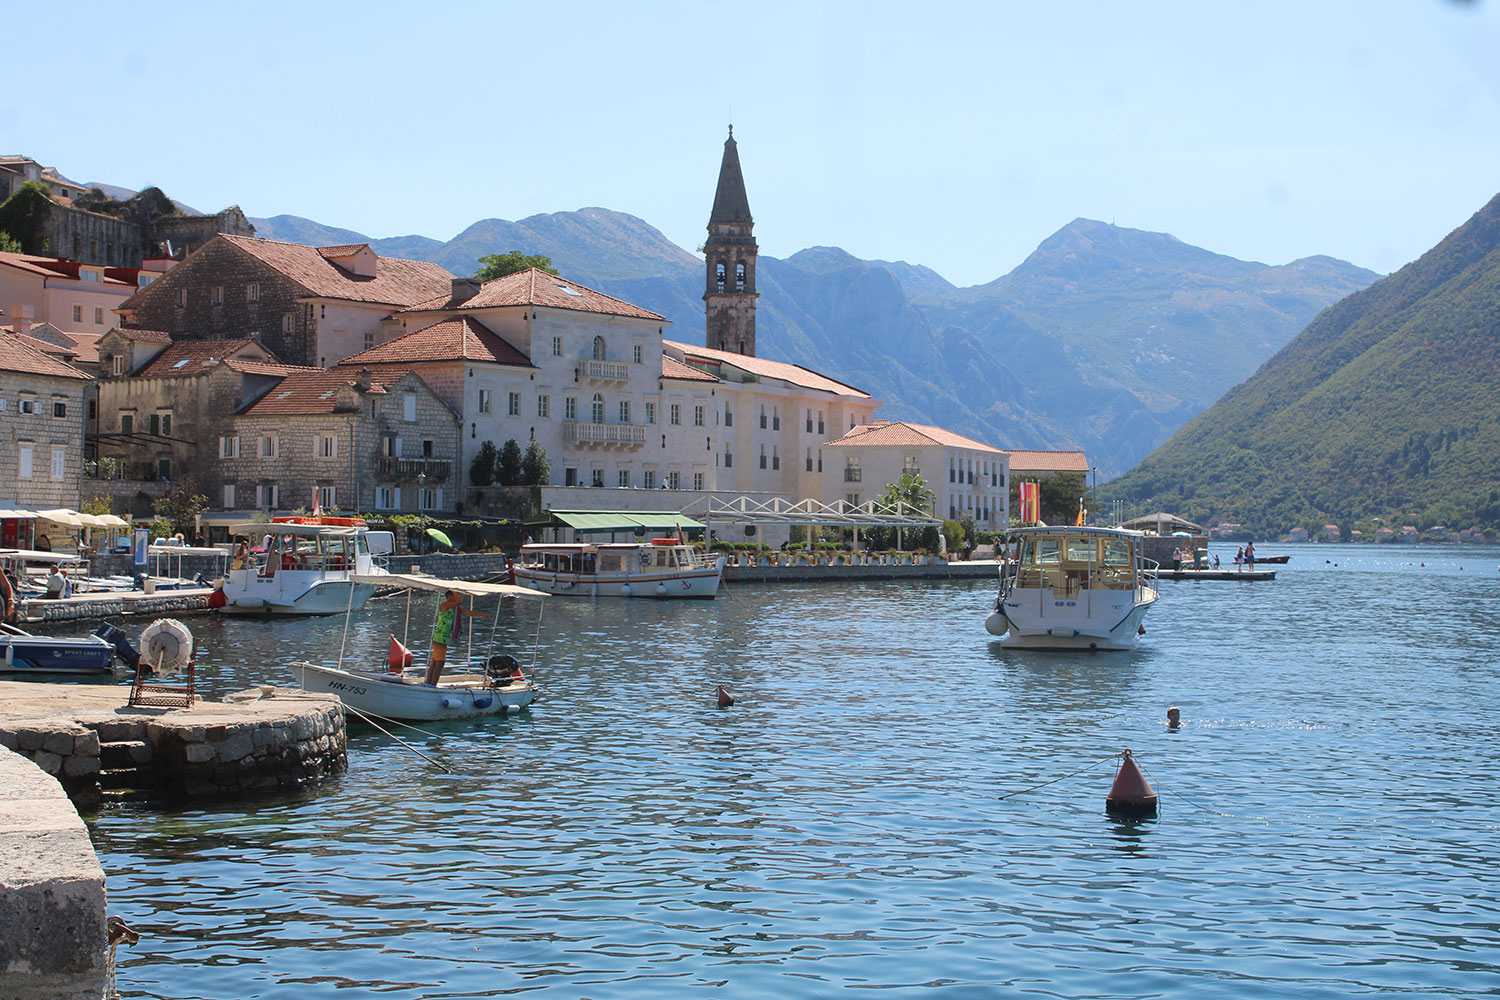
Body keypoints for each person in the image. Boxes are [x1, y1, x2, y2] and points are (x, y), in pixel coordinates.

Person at [427, 589, 484, 686]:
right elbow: (459, 601)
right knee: (440, 662)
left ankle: (429, 683)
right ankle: (432, 685)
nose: (458, 597)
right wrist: (454, 589)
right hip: (440, 637)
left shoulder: (455, 609)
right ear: (450, 596)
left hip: (442, 638)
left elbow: (468, 612)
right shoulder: (444, 605)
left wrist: (484, 615)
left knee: (436, 661)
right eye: (456, 595)